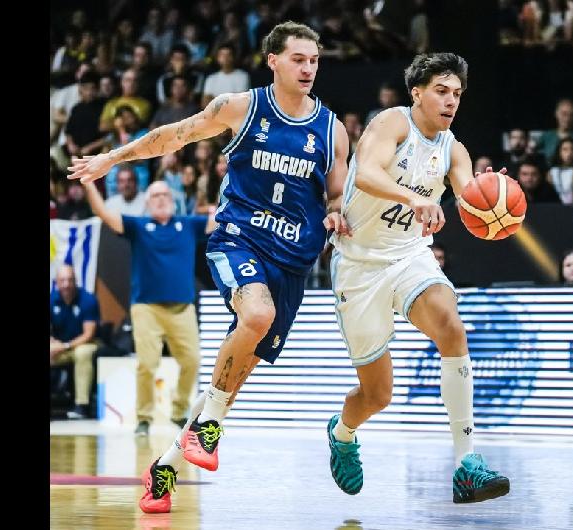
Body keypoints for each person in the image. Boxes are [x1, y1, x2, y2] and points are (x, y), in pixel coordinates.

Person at [68, 21, 351, 514]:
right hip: (239, 237)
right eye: (299, 59)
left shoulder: (332, 130)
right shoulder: (241, 107)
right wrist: (112, 158)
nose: (308, 68)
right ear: (273, 61)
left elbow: (335, 193)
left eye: (315, 60)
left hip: (293, 260)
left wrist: (336, 212)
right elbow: (171, 136)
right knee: (256, 316)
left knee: (233, 377)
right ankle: (209, 428)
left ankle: (166, 467)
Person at [326, 52, 510, 504]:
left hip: (409, 256)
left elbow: (469, 194)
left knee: (451, 325)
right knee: (377, 395)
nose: (451, 102)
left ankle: (468, 464)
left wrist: (493, 200)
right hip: (360, 266)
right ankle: (343, 432)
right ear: (417, 93)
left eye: (457, 95)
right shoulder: (392, 123)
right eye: (442, 91)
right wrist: (414, 199)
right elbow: (366, 174)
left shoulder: (454, 148)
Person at [84, 178, 216, 438]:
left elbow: (220, 220)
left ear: (172, 199)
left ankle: (179, 412)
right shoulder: (138, 226)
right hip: (146, 308)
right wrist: (89, 185)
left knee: (192, 361)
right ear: (147, 202)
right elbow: (103, 214)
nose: (161, 199)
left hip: (182, 308)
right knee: (147, 364)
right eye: (155, 195)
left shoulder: (189, 225)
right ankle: (143, 418)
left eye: (165, 194)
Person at [50, 264, 100, 420]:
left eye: (70, 280)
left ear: (76, 281)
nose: (66, 284)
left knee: (82, 353)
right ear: (56, 282)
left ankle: (82, 406)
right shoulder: (52, 299)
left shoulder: (88, 300)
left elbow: (89, 334)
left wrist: (64, 346)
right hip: (61, 347)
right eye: (63, 280)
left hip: (85, 344)